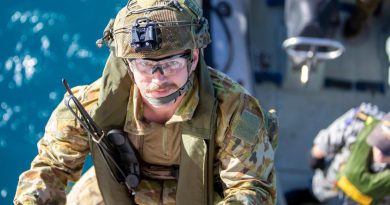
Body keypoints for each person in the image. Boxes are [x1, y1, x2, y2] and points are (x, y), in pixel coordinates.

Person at [14, 0, 278, 205]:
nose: (158, 77)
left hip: (205, 191)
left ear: (194, 58)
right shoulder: (89, 107)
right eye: (144, 65)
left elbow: (251, 187)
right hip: (119, 187)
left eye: (171, 63)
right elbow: (51, 168)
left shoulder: (233, 110)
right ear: (128, 65)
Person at [292, 103, 390, 205]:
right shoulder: (362, 120)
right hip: (325, 191)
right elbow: (318, 151)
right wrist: (316, 158)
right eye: (379, 142)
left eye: (388, 151)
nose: (380, 154)